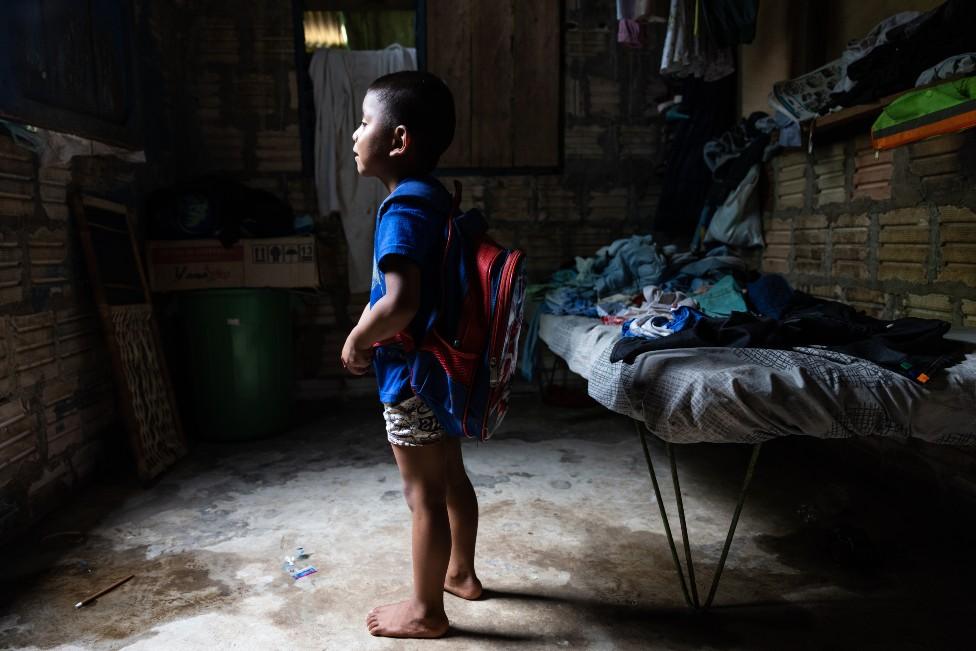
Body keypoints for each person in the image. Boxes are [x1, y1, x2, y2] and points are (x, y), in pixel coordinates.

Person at [340, 71, 482, 639]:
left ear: (397, 141)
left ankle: (426, 612)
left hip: (413, 375)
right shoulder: (436, 198)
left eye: (365, 123)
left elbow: (399, 303)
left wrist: (357, 337)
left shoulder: (401, 209)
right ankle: (462, 574)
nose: (355, 134)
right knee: (450, 475)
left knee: (421, 492)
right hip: (444, 372)